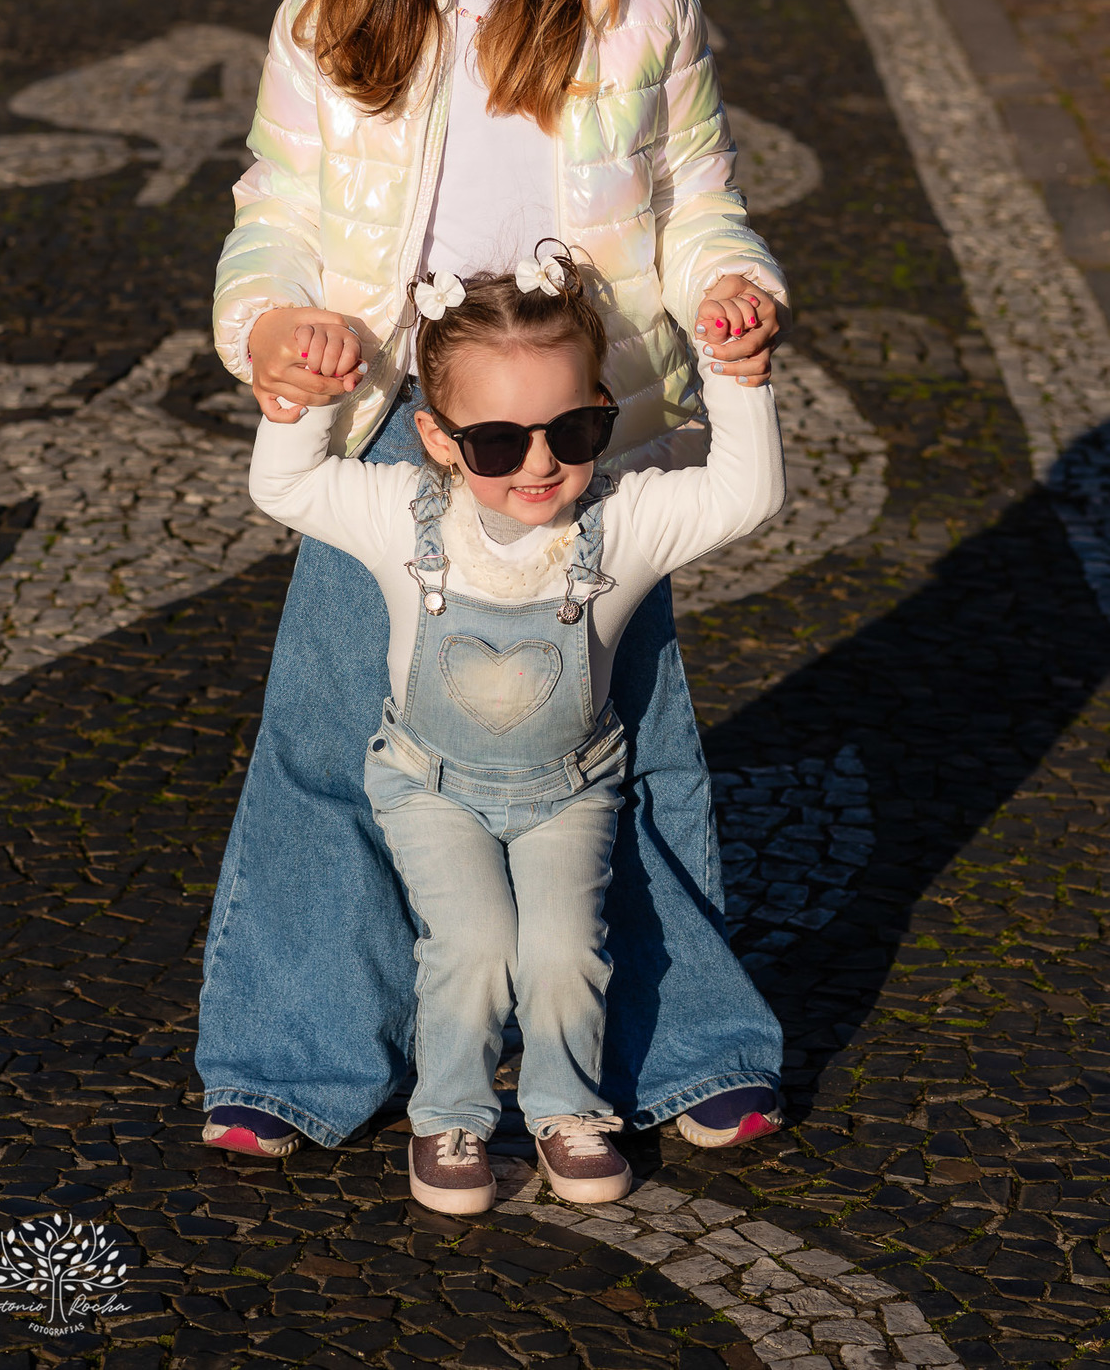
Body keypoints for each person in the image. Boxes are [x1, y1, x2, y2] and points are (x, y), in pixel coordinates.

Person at [197, 0, 789, 1163]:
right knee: (335, 730)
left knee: (630, 735)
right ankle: (292, 1050)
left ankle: (684, 1042)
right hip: (396, 415)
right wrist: (276, 321)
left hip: (586, 430)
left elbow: (702, 196)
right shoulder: (328, 22)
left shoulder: (640, 7)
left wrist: (734, 289)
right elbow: (274, 211)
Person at [245, 249, 786, 1214]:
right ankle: (448, 1116)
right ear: (438, 439)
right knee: (476, 942)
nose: (539, 465)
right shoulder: (401, 513)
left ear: (604, 415)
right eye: (497, 442)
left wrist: (739, 380)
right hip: (429, 785)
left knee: (566, 949)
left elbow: (746, 497)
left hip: (570, 791)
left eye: (573, 431)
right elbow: (288, 490)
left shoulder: (625, 523)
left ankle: (567, 1108)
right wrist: (314, 396)